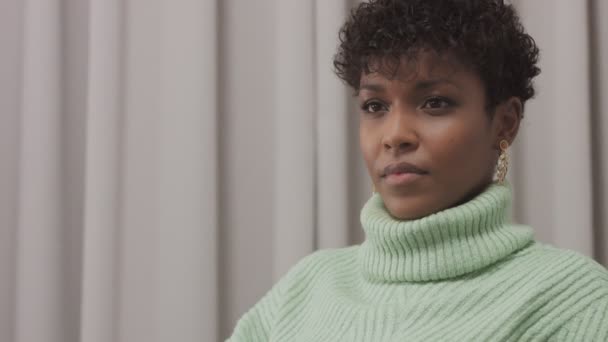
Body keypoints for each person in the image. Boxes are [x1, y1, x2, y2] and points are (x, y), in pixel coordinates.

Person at [226, 0, 608, 340]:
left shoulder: (573, 302)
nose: (395, 136)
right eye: (375, 106)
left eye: (435, 103)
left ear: (505, 123)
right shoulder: (305, 289)